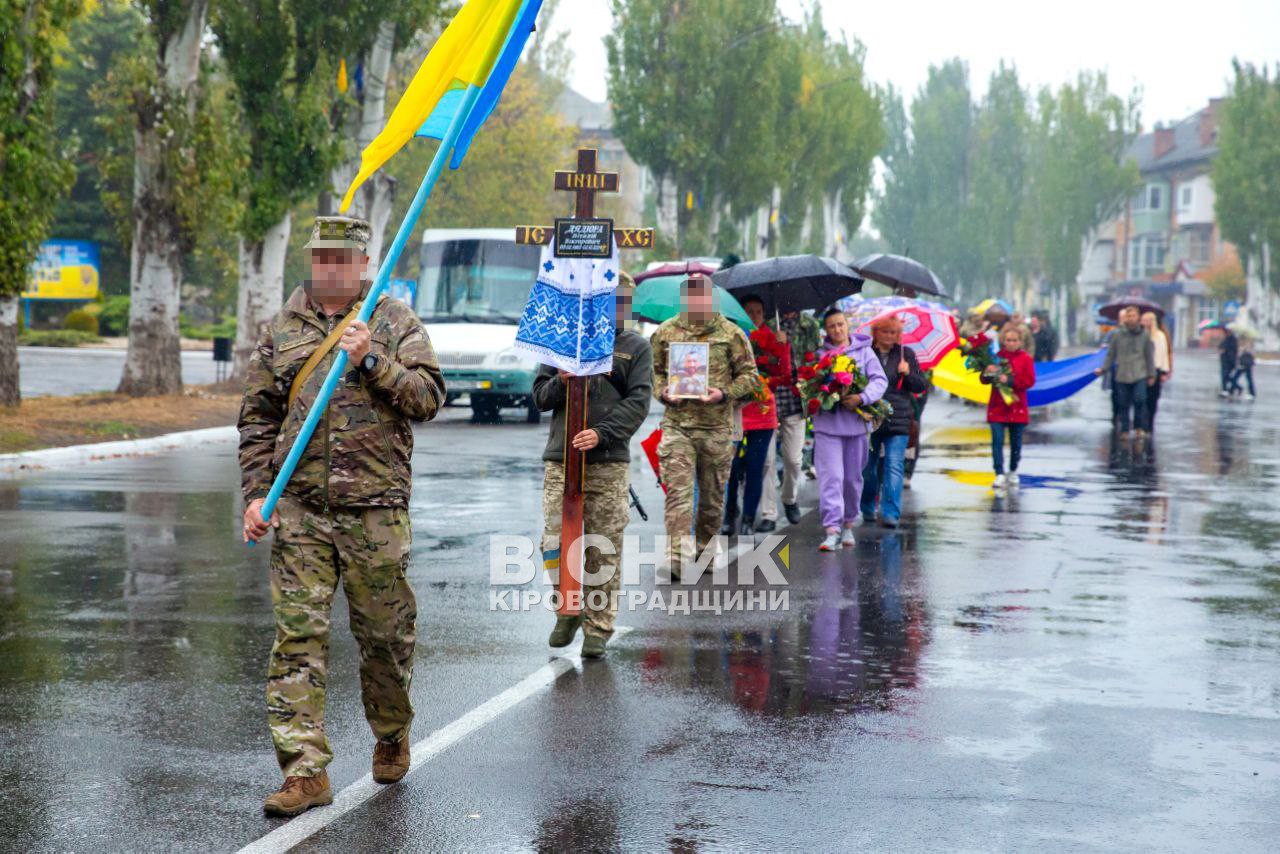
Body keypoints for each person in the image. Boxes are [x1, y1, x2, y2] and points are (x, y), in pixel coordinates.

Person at [239, 216, 446, 816]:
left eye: (340, 257)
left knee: (384, 637)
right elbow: (257, 418)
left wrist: (372, 359)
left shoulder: (393, 320)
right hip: (300, 510)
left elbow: (429, 398)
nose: (328, 267)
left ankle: (390, 729)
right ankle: (305, 772)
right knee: (296, 641)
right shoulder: (282, 329)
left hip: (375, 510)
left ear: (363, 263)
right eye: (320, 256)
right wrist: (257, 493)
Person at [533, 275, 652, 659]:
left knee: (603, 548)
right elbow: (538, 396)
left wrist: (602, 434)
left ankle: (598, 627)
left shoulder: (636, 347)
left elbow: (638, 402)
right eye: (608, 299)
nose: (616, 306)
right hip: (561, 458)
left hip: (608, 461)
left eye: (623, 301)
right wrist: (562, 382)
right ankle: (568, 608)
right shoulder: (562, 337)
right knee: (554, 543)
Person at [651, 273, 759, 575]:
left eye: (703, 296)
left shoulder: (730, 333)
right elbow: (656, 373)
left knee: (712, 498)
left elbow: (751, 376)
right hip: (677, 427)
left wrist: (724, 393)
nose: (697, 302)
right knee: (678, 494)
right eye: (691, 297)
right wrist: (663, 393)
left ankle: (706, 549)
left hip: (716, 429)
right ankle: (675, 556)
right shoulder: (665, 332)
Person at [812, 308, 887, 551]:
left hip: (856, 426)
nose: (837, 330)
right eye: (832, 326)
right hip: (827, 426)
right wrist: (826, 391)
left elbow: (879, 381)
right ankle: (831, 529)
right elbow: (810, 385)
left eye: (840, 324)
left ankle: (848, 524)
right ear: (826, 330)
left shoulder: (865, 352)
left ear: (848, 325)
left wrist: (862, 398)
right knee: (831, 477)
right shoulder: (820, 356)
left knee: (852, 480)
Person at [724, 296, 790, 535]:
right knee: (729, 467)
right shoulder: (730, 335)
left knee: (756, 466)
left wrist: (782, 349)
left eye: (759, 311)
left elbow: (784, 374)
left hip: (762, 410)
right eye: (749, 311)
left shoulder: (773, 337)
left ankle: (749, 519)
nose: (754, 315)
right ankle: (729, 514)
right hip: (735, 410)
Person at [860, 315, 928, 528]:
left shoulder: (906, 354)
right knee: (868, 468)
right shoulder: (866, 353)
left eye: (893, 333)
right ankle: (868, 505)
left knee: (893, 467)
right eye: (885, 332)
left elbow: (920, 385)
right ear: (876, 333)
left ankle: (891, 512)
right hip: (871, 417)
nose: (889, 336)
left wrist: (908, 374)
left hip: (899, 419)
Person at [762, 307, 823, 526]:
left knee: (794, 460)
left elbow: (817, 359)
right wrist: (775, 346)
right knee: (767, 462)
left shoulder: (810, 325)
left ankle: (789, 498)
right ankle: (768, 512)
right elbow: (760, 360)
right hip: (768, 400)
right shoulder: (767, 325)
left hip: (797, 401)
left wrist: (789, 346)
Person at [981, 325, 1036, 490]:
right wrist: (987, 372)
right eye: (1008, 340)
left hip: (1016, 406)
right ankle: (998, 473)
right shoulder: (995, 357)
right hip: (997, 406)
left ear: (1020, 342)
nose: (1011, 343)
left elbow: (1029, 381)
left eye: (1014, 340)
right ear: (1003, 341)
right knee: (996, 441)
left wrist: (1010, 381)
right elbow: (984, 380)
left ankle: (1012, 470)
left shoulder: (1025, 358)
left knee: (1016, 443)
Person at [1097, 306, 1155, 439]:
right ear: (1125, 318)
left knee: (1140, 399)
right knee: (1123, 403)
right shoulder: (1117, 334)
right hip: (1122, 374)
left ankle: (1139, 427)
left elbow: (1149, 355)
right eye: (1128, 316)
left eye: (1133, 316)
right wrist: (1103, 369)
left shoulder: (1145, 334)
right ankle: (1124, 430)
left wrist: (1152, 374)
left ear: (1138, 317)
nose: (1131, 318)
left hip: (1139, 373)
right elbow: (1111, 354)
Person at [1140, 311, 1172, 431]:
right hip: (1142, 370)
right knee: (1141, 397)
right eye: (1142, 320)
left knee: (1153, 398)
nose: (1143, 322)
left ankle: (1150, 423)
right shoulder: (1141, 335)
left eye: (1146, 320)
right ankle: (1142, 423)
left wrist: (1165, 371)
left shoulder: (1160, 335)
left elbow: (1164, 354)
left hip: (1156, 369)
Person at [1218, 328, 1239, 398]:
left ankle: (1233, 387)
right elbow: (1220, 346)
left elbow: (1232, 350)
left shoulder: (1232, 340)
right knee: (1224, 376)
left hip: (1229, 361)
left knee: (1225, 375)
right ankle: (1226, 389)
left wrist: (1224, 350)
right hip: (1224, 360)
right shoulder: (1226, 339)